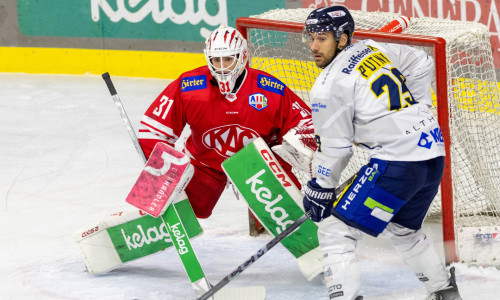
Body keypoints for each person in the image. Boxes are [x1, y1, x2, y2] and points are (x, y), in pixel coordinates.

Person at [301, 5, 461, 300]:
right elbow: (422, 62)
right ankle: (444, 292)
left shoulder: (328, 86)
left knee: (334, 230)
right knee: (402, 229)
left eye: (321, 38)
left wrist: (320, 188)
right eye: (310, 38)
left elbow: (337, 148)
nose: (313, 46)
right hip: (432, 155)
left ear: (344, 38)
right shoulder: (374, 48)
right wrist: (415, 109)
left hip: (397, 162)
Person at [138, 25, 314, 219]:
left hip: (260, 164)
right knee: (188, 213)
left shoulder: (269, 89)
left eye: (228, 59)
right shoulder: (189, 86)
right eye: (216, 60)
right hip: (204, 162)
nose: (221, 67)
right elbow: (151, 131)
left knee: (288, 216)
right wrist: (163, 171)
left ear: (243, 57)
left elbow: (307, 123)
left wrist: (296, 146)